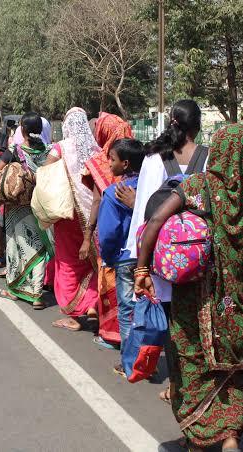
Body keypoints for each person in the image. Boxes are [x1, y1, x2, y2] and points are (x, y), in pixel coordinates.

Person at [135, 124, 243, 451]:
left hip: (194, 298)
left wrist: (143, 268)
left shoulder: (199, 186)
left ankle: (197, 439)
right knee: (229, 366)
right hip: (236, 300)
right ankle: (228, 437)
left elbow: (155, 221)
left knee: (191, 362)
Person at [126, 99, 207, 403]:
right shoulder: (209, 158)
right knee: (195, 324)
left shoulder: (154, 161)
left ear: (171, 123)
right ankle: (194, 381)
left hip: (164, 260)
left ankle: (177, 384)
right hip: (200, 258)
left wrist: (139, 262)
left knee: (172, 323)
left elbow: (145, 215)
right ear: (198, 127)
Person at [81, 112, 134, 346]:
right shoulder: (139, 161)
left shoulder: (102, 161)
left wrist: (87, 235)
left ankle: (113, 334)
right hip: (137, 242)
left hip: (112, 242)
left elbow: (95, 202)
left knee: (113, 286)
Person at [46, 107, 100, 331]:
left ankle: (74, 316)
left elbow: (46, 172)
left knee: (68, 262)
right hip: (92, 216)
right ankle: (92, 305)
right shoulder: (96, 149)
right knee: (91, 262)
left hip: (68, 215)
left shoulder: (60, 148)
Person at [96, 139, 145, 370]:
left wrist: (108, 256)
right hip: (148, 255)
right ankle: (147, 358)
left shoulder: (113, 193)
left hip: (125, 258)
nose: (108, 163)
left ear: (125, 164)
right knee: (146, 308)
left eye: (112, 159)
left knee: (127, 310)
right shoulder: (149, 189)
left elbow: (107, 234)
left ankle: (130, 363)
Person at [0, 112, 52, 309]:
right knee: (38, 247)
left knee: (15, 246)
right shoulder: (49, 151)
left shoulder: (15, 150)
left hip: (17, 207)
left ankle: (13, 289)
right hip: (42, 205)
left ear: (23, 129)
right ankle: (37, 294)